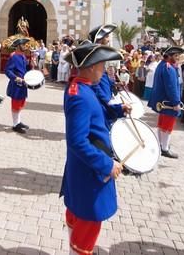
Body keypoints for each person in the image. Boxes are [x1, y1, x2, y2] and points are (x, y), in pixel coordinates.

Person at [60, 42, 124, 255]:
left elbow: (97, 118)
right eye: (102, 65)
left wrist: (118, 112)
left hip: (83, 169)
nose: (104, 69)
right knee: (87, 227)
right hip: (90, 172)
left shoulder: (83, 87)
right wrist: (106, 165)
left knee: (77, 218)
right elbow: (77, 141)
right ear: (91, 67)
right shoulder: (80, 95)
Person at [87, 24, 132, 128]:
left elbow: (104, 77)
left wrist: (115, 83)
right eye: (106, 36)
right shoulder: (94, 56)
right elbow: (95, 84)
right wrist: (110, 104)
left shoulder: (99, 55)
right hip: (102, 102)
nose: (108, 39)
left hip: (106, 99)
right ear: (100, 38)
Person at [147, 46, 184, 159]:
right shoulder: (169, 68)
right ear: (172, 56)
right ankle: (164, 148)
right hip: (168, 101)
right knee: (168, 125)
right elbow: (171, 87)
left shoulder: (162, 65)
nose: (178, 58)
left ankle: (160, 144)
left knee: (162, 124)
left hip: (162, 100)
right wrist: (175, 102)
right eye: (177, 56)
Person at [4, 37, 31, 134]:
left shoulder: (23, 56)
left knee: (21, 103)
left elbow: (24, 69)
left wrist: (31, 65)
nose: (25, 46)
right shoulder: (13, 56)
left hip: (23, 83)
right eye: (23, 44)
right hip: (16, 84)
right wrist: (15, 78)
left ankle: (18, 122)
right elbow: (7, 70)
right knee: (15, 104)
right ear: (18, 46)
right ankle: (15, 124)